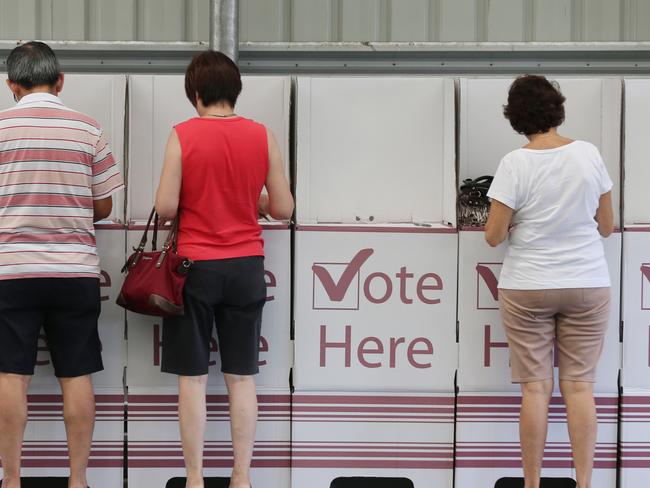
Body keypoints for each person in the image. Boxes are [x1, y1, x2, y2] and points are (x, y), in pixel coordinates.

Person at [155, 50, 294, 488]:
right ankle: (241, 476)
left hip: (195, 269)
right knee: (241, 377)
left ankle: (194, 478)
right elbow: (284, 209)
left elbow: (163, 208)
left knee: (193, 381)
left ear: (195, 93)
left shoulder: (183, 135)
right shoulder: (262, 135)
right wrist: (253, 201)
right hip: (246, 267)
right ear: (235, 91)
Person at [0, 42, 124, 488]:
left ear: (11, 84)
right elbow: (105, 204)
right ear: (60, 80)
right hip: (74, 272)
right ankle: (78, 480)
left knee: (11, 374)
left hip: (12, 271)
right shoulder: (86, 128)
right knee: (76, 374)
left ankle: (11, 479)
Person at [485, 75, 614, 488]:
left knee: (536, 391)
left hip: (528, 285)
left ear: (516, 117)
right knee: (580, 389)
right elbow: (607, 226)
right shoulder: (589, 155)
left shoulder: (514, 163)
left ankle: (532, 483)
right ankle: (584, 483)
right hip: (587, 281)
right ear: (558, 109)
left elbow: (494, 235)